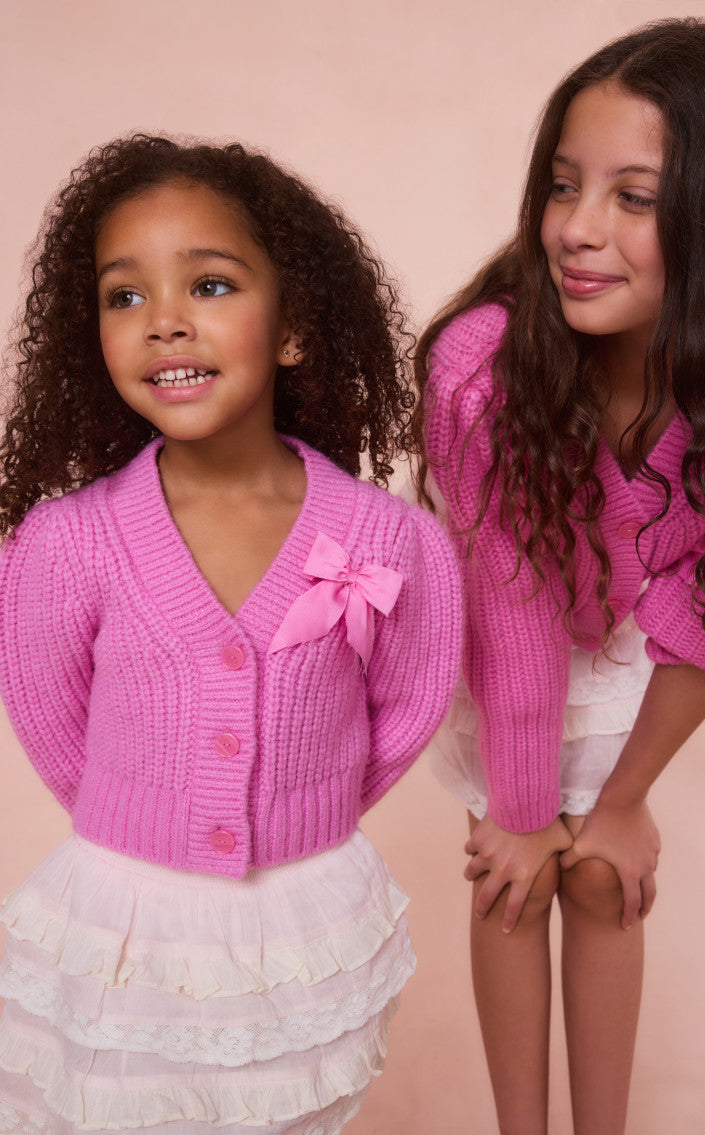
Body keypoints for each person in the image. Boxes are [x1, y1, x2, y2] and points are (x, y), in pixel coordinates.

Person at [0, 134, 461, 1135]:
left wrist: (299, 810)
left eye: (208, 285)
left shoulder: (387, 538)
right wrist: (151, 823)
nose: (163, 320)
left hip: (303, 912)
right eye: (124, 296)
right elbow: (51, 718)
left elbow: (407, 704)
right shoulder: (66, 541)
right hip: (125, 918)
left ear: (293, 329)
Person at [415, 17, 705, 1135]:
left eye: (633, 197)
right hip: (503, 621)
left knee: (604, 875)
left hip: (637, 628)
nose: (576, 228)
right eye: (564, 186)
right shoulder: (481, 369)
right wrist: (523, 818)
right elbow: (512, 612)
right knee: (513, 877)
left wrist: (622, 801)